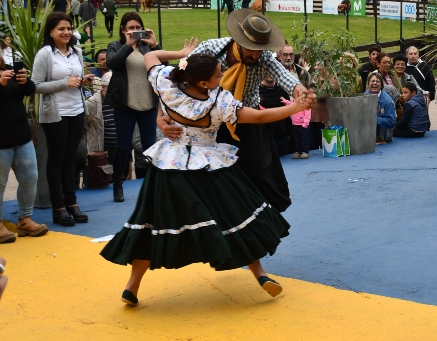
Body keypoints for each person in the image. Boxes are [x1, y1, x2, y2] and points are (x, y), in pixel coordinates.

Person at [101, 39, 316, 305]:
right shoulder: (218, 102)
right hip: (209, 166)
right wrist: (295, 108)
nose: (222, 75)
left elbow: (151, 56)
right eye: (218, 74)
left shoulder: (167, 84)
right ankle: (260, 274)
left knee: (152, 223)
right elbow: (259, 116)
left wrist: (180, 53)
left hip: (170, 165)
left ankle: (132, 286)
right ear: (204, 83)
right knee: (237, 214)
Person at [159, 10, 307, 217]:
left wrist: (298, 89)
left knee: (262, 175)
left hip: (249, 122)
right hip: (211, 126)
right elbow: (174, 83)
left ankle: (260, 225)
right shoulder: (210, 50)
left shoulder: (263, 58)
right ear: (238, 40)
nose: (256, 55)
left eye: (261, 49)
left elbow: (284, 76)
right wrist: (160, 117)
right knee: (214, 179)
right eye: (252, 49)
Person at [31, 12, 96, 227]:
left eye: (69, 28)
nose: (66, 32)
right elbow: (36, 86)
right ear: (51, 31)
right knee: (57, 159)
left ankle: (72, 203)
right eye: (61, 29)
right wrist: (64, 83)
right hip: (55, 114)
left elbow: (73, 80)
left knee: (71, 158)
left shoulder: (76, 51)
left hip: (76, 110)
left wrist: (81, 80)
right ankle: (58, 207)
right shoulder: (45, 54)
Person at [106, 12, 162, 203]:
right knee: (122, 146)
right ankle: (118, 185)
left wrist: (155, 45)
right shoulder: (116, 45)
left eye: (138, 27)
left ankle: (154, 185)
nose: (135, 31)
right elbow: (112, 63)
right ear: (123, 30)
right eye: (130, 28)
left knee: (150, 146)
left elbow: (164, 70)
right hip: (125, 104)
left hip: (147, 104)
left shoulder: (148, 47)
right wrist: (128, 45)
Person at [0, 58, 49, 243]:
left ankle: (25, 219)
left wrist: (24, 81)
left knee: (30, 178)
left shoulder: (9, 70)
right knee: (0, 184)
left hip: (22, 138)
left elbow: (29, 91)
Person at [365, 72, 396, 144]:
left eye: (377, 81)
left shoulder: (388, 101)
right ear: (368, 83)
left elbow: (392, 122)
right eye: (372, 81)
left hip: (384, 138)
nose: (374, 83)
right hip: (368, 138)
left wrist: (373, 119)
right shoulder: (365, 96)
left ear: (381, 85)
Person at [280, 93, 311, 158]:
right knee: (297, 139)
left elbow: (308, 114)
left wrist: (305, 123)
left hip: (303, 125)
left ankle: (305, 151)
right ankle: (298, 151)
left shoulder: (305, 103)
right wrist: (285, 101)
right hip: (295, 125)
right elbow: (290, 105)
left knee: (304, 139)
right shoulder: (294, 102)